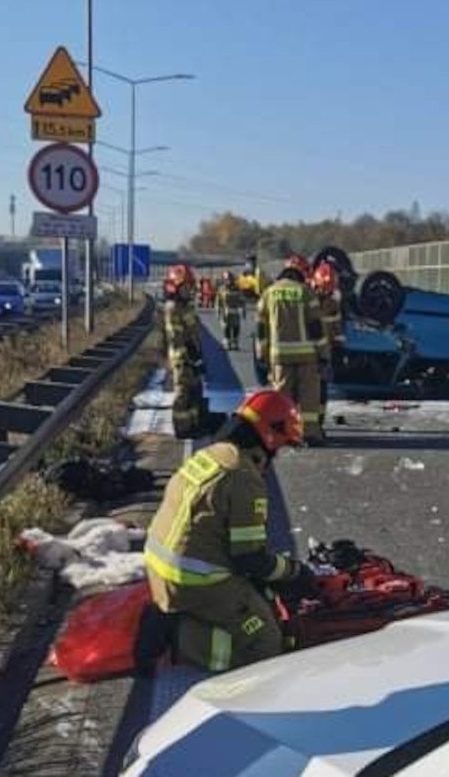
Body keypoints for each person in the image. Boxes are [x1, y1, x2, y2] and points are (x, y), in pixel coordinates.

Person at [143, 389, 318, 672]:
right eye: (282, 446)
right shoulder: (243, 476)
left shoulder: (212, 454)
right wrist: (295, 572)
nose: (277, 454)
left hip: (158, 567)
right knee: (267, 643)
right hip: (194, 582)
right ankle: (179, 637)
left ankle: (177, 617)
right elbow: (250, 559)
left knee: (258, 600)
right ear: (270, 434)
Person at [255, 255, 328, 444]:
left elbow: (261, 330)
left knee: (282, 397)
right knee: (309, 398)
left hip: (279, 355)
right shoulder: (305, 292)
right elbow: (315, 327)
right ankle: (310, 433)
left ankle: (283, 434)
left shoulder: (269, 293)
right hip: (306, 355)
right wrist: (323, 355)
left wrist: (262, 355)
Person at [162, 264, 205, 439]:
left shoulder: (185, 306)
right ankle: (181, 428)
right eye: (187, 286)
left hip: (190, 356)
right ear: (177, 286)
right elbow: (177, 337)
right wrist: (191, 357)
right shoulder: (173, 308)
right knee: (182, 393)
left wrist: (197, 357)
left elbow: (193, 332)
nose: (190, 290)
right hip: (182, 358)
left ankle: (193, 425)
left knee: (194, 392)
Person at [310, 261, 345, 426]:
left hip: (324, 353)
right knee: (307, 391)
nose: (327, 291)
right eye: (325, 287)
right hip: (308, 352)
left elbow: (336, 326)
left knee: (322, 391)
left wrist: (338, 344)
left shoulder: (333, 302)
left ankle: (318, 424)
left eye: (330, 288)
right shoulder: (307, 299)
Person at [215, 271, 245, 351]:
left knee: (236, 326)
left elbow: (241, 299)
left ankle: (235, 342)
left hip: (235, 311)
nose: (228, 281)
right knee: (226, 327)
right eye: (227, 279)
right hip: (225, 312)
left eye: (230, 279)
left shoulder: (237, 288)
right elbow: (218, 301)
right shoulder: (221, 289)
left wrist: (242, 309)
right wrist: (218, 312)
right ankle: (227, 341)